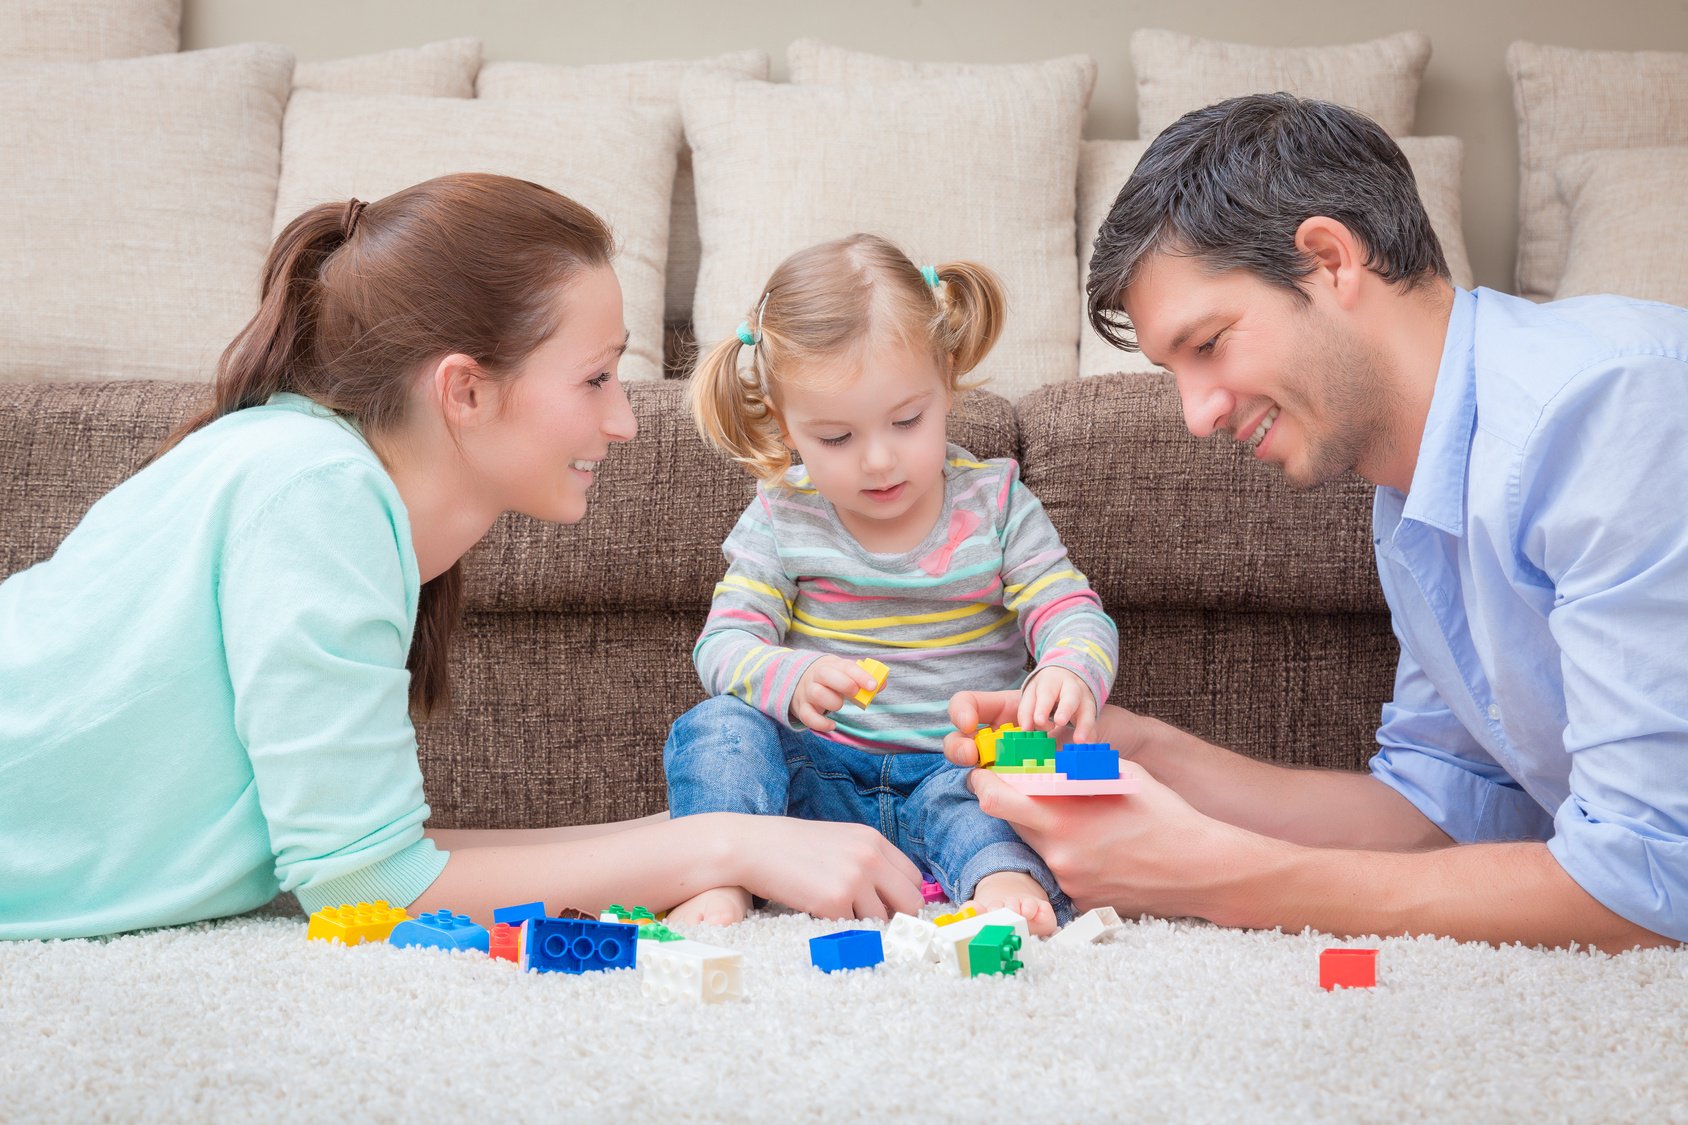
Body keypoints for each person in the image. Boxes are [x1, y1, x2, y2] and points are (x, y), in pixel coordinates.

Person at [0, 174, 924, 941]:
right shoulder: (317, 495)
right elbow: (368, 896)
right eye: (596, 377)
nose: (625, 420)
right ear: (465, 391)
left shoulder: (315, 472)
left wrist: (722, 835)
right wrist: (726, 846)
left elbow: (378, 857)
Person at [946, 94, 1687, 954]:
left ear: (1331, 259)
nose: (1196, 415)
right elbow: (1445, 808)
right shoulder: (1413, 497)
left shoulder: (1606, 410)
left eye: (1209, 343)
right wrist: (1141, 750)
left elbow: (1653, 878)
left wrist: (1221, 878)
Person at [664, 234, 1119, 932]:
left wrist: (1069, 668)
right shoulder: (783, 514)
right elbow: (722, 644)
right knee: (717, 727)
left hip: (955, 771)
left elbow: (1072, 611)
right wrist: (788, 674)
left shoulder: (995, 505)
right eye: (836, 438)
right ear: (786, 427)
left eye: (907, 421)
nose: (878, 460)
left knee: (1001, 795)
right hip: (815, 785)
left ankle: (1000, 880)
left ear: (946, 381)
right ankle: (717, 877)